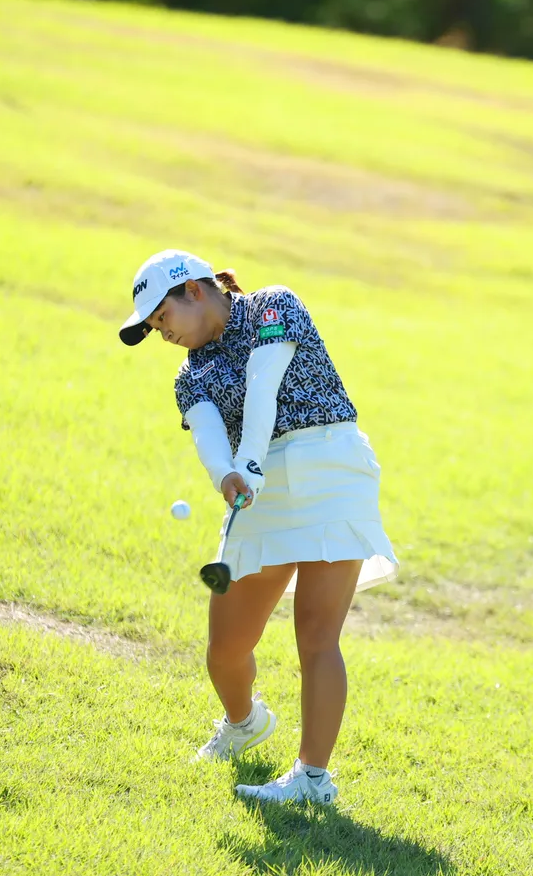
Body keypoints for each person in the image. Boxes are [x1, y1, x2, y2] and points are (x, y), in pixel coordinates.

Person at [118, 249, 398, 804]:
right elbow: (208, 437)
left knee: (316, 637)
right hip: (258, 487)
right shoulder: (190, 375)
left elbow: (262, 385)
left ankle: (312, 779)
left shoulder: (273, 306)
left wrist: (248, 464)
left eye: (162, 317)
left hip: (330, 467)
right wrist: (227, 475)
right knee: (225, 648)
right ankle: (244, 722)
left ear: (194, 290)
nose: (162, 333)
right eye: (152, 328)